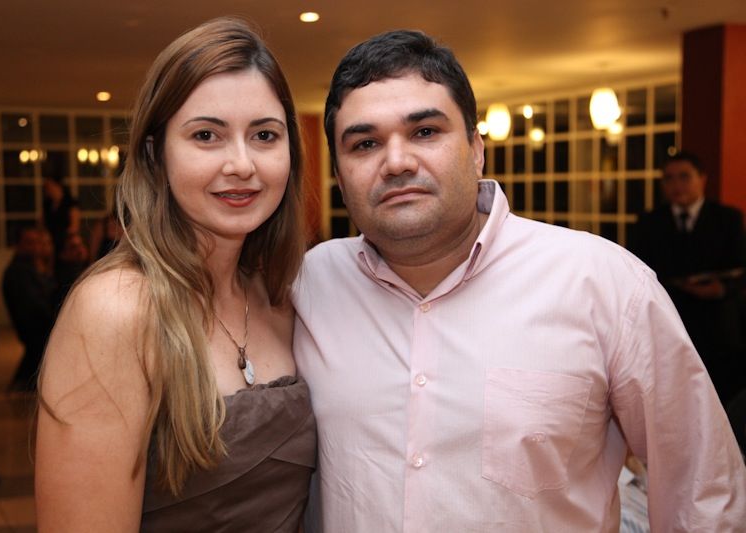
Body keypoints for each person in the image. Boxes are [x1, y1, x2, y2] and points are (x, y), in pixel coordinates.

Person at [293, 30, 746, 531]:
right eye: (365, 143)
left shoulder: (603, 284)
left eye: (424, 132)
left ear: (476, 149)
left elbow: (703, 493)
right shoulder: (307, 286)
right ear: (340, 176)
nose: (396, 162)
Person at [35, 18, 314, 532]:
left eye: (265, 135)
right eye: (206, 135)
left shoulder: (278, 296)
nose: (242, 164)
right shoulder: (118, 310)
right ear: (155, 154)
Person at [630, 152, 746, 404]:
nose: (676, 185)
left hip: (718, 327)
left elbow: (740, 268)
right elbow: (637, 271)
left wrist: (721, 289)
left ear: (702, 179)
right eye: (669, 178)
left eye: (684, 177)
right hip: (669, 321)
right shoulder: (649, 222)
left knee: (721, 398)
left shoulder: (728, 218)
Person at [3, 226, 56, 392]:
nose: (36, 247)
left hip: (39, 324)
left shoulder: (32, 268)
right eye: (29, 243)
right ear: (18, 245)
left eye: (37, 242)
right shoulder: (18, 271)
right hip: (35, 327)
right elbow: (35, 307)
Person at [41, 174, 80, 262]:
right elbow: (42, 223)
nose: (47, 190)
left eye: (49, 186)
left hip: (66, 241)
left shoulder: (70, 202)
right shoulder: (47, 204)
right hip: (49, 242)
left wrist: (62, 238)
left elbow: (74, 226)